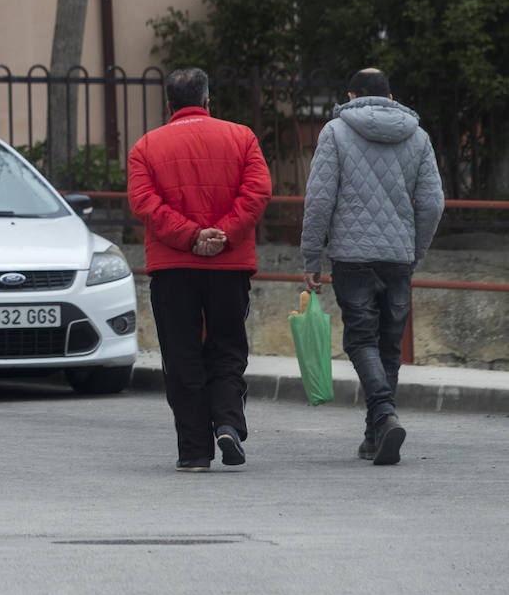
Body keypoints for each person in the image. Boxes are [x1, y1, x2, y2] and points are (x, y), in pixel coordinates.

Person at [128, 68, 272, 472]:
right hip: (229, 265)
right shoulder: (243, 138)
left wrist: (191, 237)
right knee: (227, 346)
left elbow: (145, 204)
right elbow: (257, 191)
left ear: (169, 104)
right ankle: (227, 420)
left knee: (182, 354)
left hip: (173, 266)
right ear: (208, 100)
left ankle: (193, 451)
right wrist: (222, 235)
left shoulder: (145, 147)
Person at [301, 68, 444, 466]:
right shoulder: (418, 136)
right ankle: (375, 435)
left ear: (351, 95)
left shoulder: (335, 132)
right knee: (388, 347)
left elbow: (319, 200)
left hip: (352, 256)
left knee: (361, 341)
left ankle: (382, 414)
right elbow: (433, 203)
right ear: (391, 95)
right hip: (398, 257)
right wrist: (415, 249)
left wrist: (312, 256)